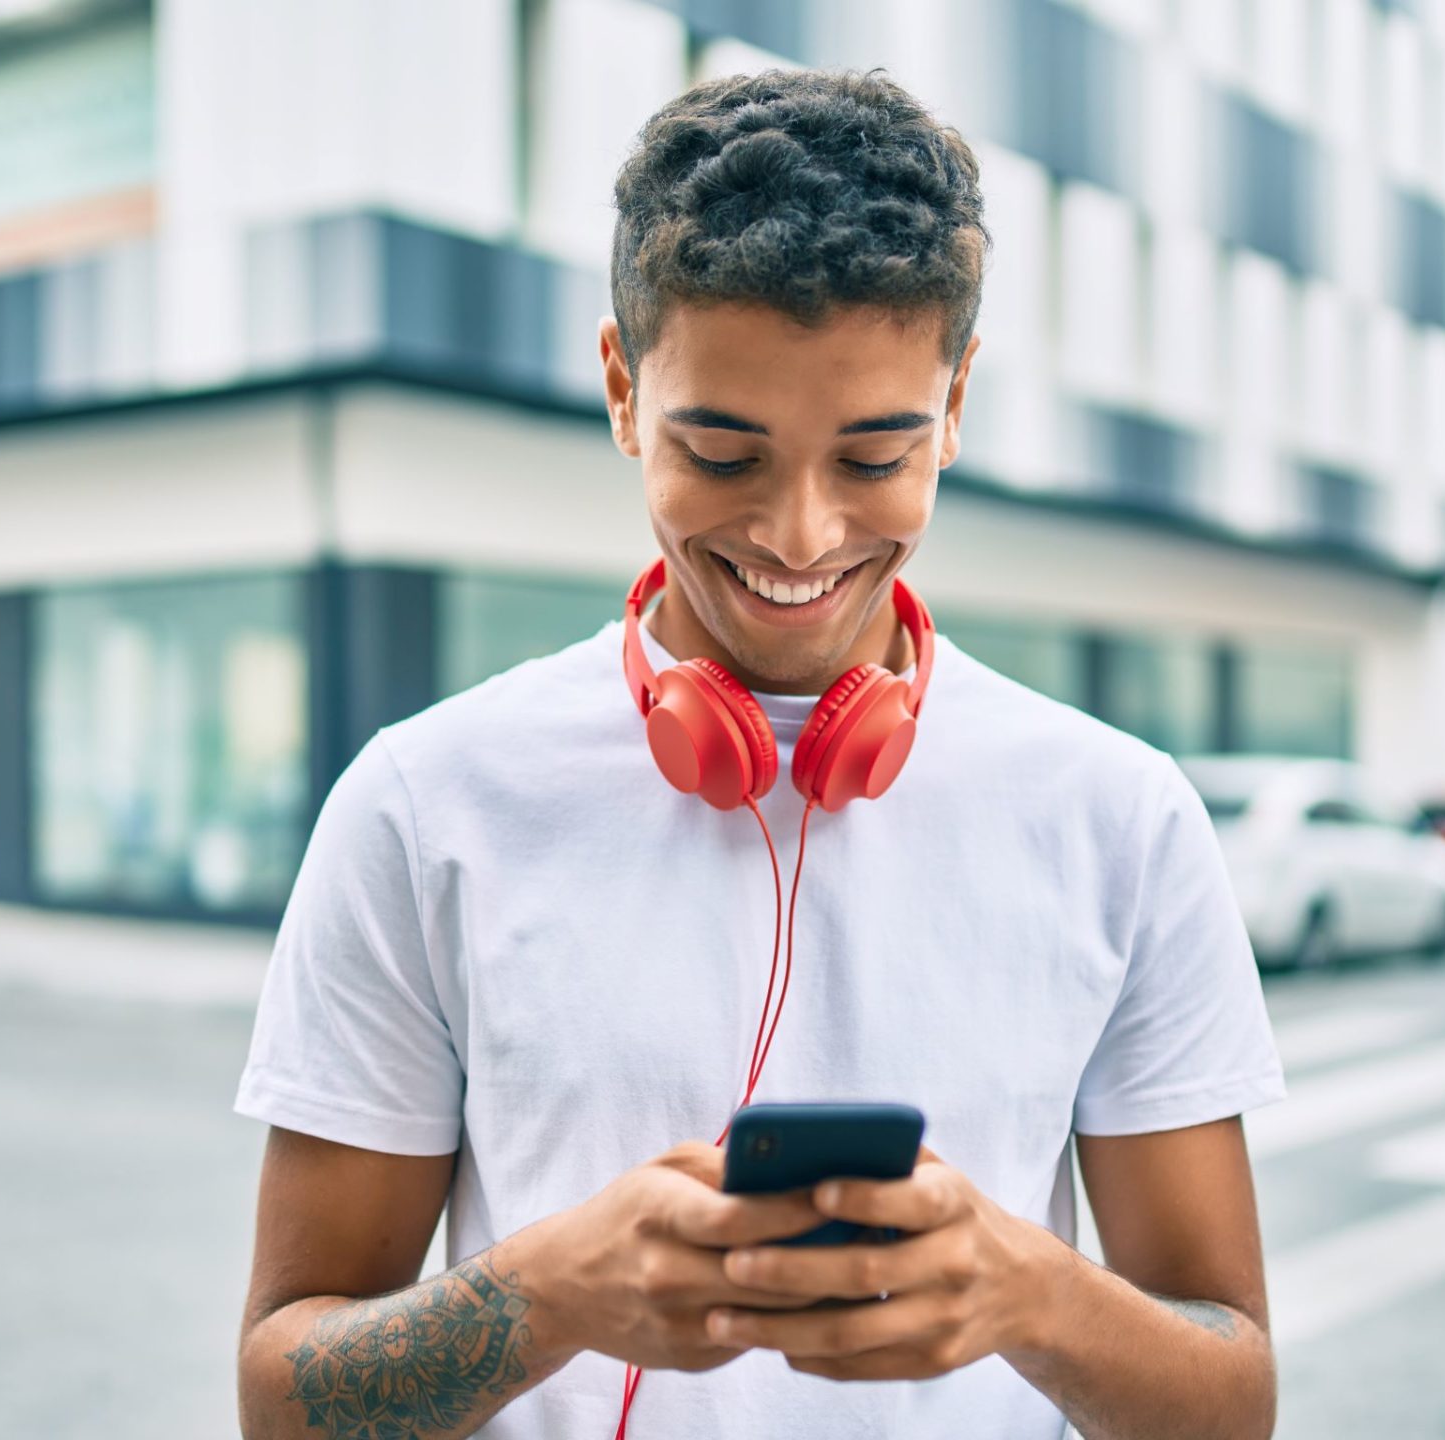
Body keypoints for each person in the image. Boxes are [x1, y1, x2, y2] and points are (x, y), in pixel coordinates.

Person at [234, 68, 1284, 1440]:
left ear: (956, 403)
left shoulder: (1122, 818)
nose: (801, 536)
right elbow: (283, 1404)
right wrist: (557, 1290)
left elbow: (1230, 1407)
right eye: (724, 455)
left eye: (874, 459)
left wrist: (1031, 1295)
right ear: (624, 390)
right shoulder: (423, 805)